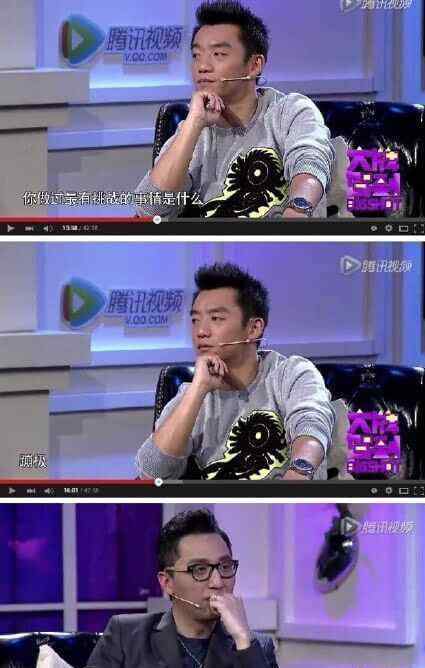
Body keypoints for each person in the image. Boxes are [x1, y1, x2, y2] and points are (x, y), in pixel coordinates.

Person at [135, 0, 335, 220]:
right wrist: (193, 125)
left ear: (254, 65)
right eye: (196, 55)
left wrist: (298, 210)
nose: (202, 66)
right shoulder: (191, 128)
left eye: (218, 54)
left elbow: (310, 162)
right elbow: (150, 211)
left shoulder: (290, 111)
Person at [136, 262, 335, 481]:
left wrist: (299, 473)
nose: (200, 331)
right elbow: (151, 474)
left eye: (216, 319)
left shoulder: (291, 373)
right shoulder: (191, 393)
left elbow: (311, 424)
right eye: (195, 320)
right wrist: (198, 389)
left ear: (253, 328)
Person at [86, 509, 279, 668]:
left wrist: (243, 639)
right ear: (167, 583)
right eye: (200, 569)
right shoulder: (126, 636)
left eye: (225, 566)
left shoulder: (255, 647)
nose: (218, 582)